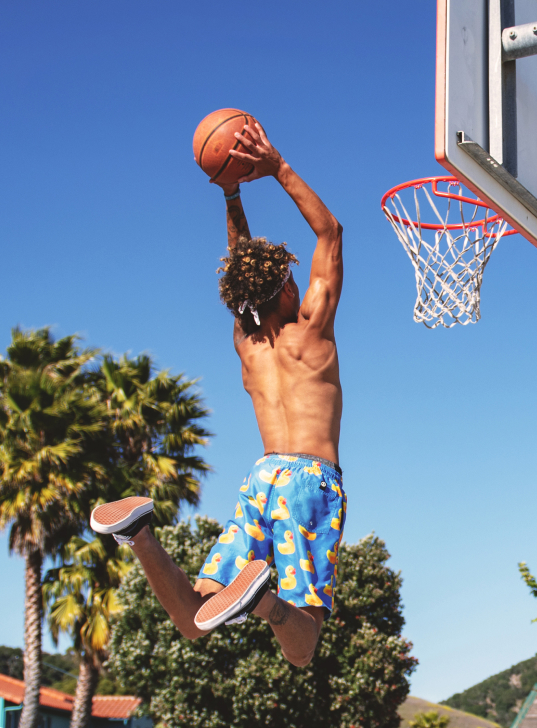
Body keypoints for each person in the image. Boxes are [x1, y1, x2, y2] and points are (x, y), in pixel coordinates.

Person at [90, 123, 346, 668]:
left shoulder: (247, 341)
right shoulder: (311, 334)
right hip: (309, 480)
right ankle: (267, 604)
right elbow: (330, 234)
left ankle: (138, 534)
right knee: (302, 647)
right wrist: (278, 167)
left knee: (194, 618)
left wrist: (232, 193)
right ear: (287, 287)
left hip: (261, 478)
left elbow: (240, 268)